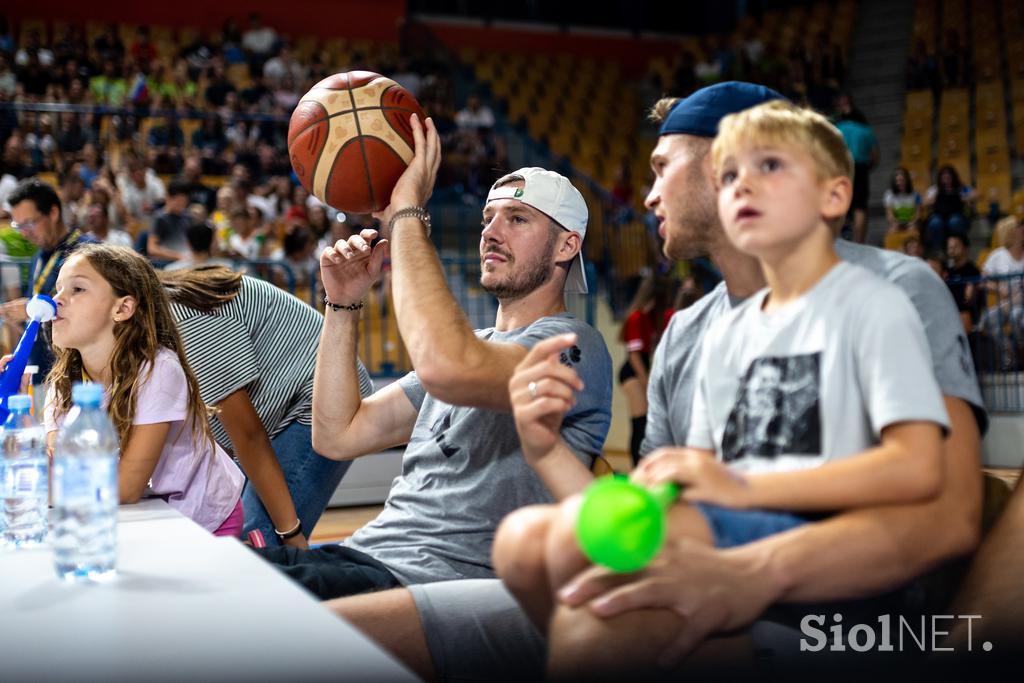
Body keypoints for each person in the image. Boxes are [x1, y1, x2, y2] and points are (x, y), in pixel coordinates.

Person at [328, 82, 987, 682]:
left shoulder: (893, 288)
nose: (646, 197)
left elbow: (951, 513)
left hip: (823, 611)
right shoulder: (690, 331)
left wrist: (745, 568)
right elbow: (652, 526)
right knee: (384, 611)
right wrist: (548, 452)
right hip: (705, 571)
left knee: (597, 628)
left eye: (662, 167)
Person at [510, 99, 952, 671]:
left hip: (832, 561)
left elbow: (918, 471)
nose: (739, 188)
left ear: (834, 195)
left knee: (590, 591)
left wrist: (741, 490)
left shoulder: (881, 301)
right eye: (729, 175)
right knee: (524, 544)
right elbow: (684, 486)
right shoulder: (712, 332)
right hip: (733, 530)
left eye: (766, 168)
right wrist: (547, 452)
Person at [253, 116, 612, 600]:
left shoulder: (572, 343)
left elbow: (450, 368)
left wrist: (405, 216)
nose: (492, 232)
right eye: (488, 219)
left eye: (517, 219)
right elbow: (338, 435)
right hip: (368, 555)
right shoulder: (474, 346)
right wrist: (342, 304)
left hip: (428, 579)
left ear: (567, 245)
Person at [160, 266, 372, 547]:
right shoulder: (144, 332)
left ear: (122, 305)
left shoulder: (178, 319)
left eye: (81, 291)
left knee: (260, 543)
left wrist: (290, 534)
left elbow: (249, 436)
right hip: (280, 407)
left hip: (317, 399)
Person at [41, 245, 244, 535]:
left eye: (77, 289)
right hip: (139, 515)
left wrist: (36, 485)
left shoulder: (158, 370)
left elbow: (126, 487)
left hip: (202, 518)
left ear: (122, 308)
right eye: (58, 289)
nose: (56, 300)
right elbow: (62, 468)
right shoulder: (62, 384)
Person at [3, 179, 99, 398]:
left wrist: (31, 309)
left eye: (29, 223)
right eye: (19, 226)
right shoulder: (38, 255)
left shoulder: (88, 251)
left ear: (53, 213)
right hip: (41, 367)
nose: (24, 233)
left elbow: (95, 308)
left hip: (78, 375)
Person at [617, 273, 674, 465]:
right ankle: (636, 468)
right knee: (639, 423)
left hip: (642, 369)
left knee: (646, 424)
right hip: (634, 372)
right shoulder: (636, 317)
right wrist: (646, 380)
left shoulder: (648, 318)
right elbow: (634, 355)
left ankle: (642, 464)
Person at [834, 103, 879, 243]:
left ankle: (840, 239)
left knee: (842, 203)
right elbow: (875, 156)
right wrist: (867, 167)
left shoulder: (837, 129)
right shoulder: (866, 130)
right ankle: (859, 241)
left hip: (842, 168)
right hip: (861, 168)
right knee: (860, 207)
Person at [923, 165, 975, 252]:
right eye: (944, 177)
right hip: (939, 215)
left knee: (954, 222)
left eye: (949, 177)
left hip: (956, 214)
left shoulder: (961, 188)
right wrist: (933, 199)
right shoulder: (935, 189)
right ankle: (938, 249)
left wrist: (965, 197)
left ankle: (957, 247)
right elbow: (924, 202)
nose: (946, 179)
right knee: (935, 223)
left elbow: (977, 194)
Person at [882, 166, 921, 251]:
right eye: (898, 181)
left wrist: (911, 222)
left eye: (902, 180)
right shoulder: (889, 195)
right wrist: (896, 223)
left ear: (907, 181)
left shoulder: (915, 195)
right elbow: (889, 215)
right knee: (892, 231)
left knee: (913, 230)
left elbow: (917, 213)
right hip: (896, 222)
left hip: (911, 222)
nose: (900, 183)